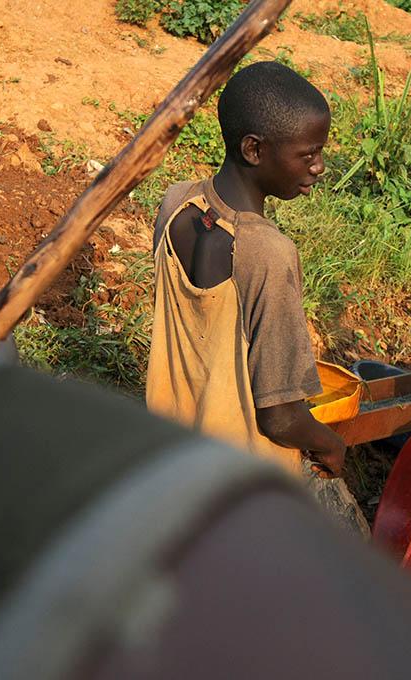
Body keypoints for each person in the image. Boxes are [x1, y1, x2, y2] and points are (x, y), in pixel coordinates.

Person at [146, 61, 348, 486]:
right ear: (253, 150)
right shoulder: (268, 253)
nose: (319, 166)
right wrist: (331, 444)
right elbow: (280, 418)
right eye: (308, 154)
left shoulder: (176, 203)